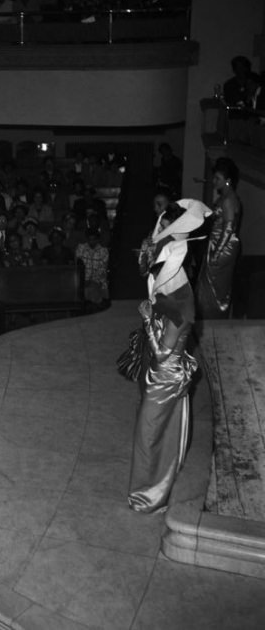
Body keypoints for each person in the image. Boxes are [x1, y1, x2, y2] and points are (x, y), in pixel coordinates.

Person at [128, 199, 211, 514]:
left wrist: (149, 318)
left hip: (166, 372)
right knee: (160, 432)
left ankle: (145, 498)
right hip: (161, 368)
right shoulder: (169, 276)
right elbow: (146, 264)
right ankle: (154, 492)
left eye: (166, 231)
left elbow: (164, 355)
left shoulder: (179, 298)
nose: (159, 237)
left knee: (147, 434)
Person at [196, 157, 241, 319]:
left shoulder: (229, 199)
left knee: (213, 289)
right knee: (208, 287)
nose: (214, 181)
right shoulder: (225, 197)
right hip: (216, 244)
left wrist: (216, 253)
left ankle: (213, 321)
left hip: (222, 247)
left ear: (227, 180)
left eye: (217, 178)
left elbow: (228, 229)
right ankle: (209, 319)